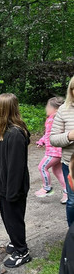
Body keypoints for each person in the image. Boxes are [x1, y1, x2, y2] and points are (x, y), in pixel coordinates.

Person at [0, 93, 31, 268]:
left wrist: (13, 193)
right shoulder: (4, 131)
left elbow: (16, 167)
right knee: (7, 218)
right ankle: (15, 241)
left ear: (2, 110)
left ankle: (22, 251)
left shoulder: (15, 135)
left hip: (12, 188)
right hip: (3, 186)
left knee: (14, 219)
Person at [51, 76, 74, 227]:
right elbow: (53, 139)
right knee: (72, 201)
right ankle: (72, 235)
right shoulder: (63, 110)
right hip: (70, 165)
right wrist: (69, 136)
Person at [35, 97, 67, 203]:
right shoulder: (50, 119)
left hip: (55, 151)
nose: (46, 108)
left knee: (42, 167)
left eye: (48, 106)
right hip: (53, 151)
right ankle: (67, 193)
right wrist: (42, 141)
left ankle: (47, 188)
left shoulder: (56, 118)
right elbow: (48, 134)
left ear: (56, 109)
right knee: (57, 171)